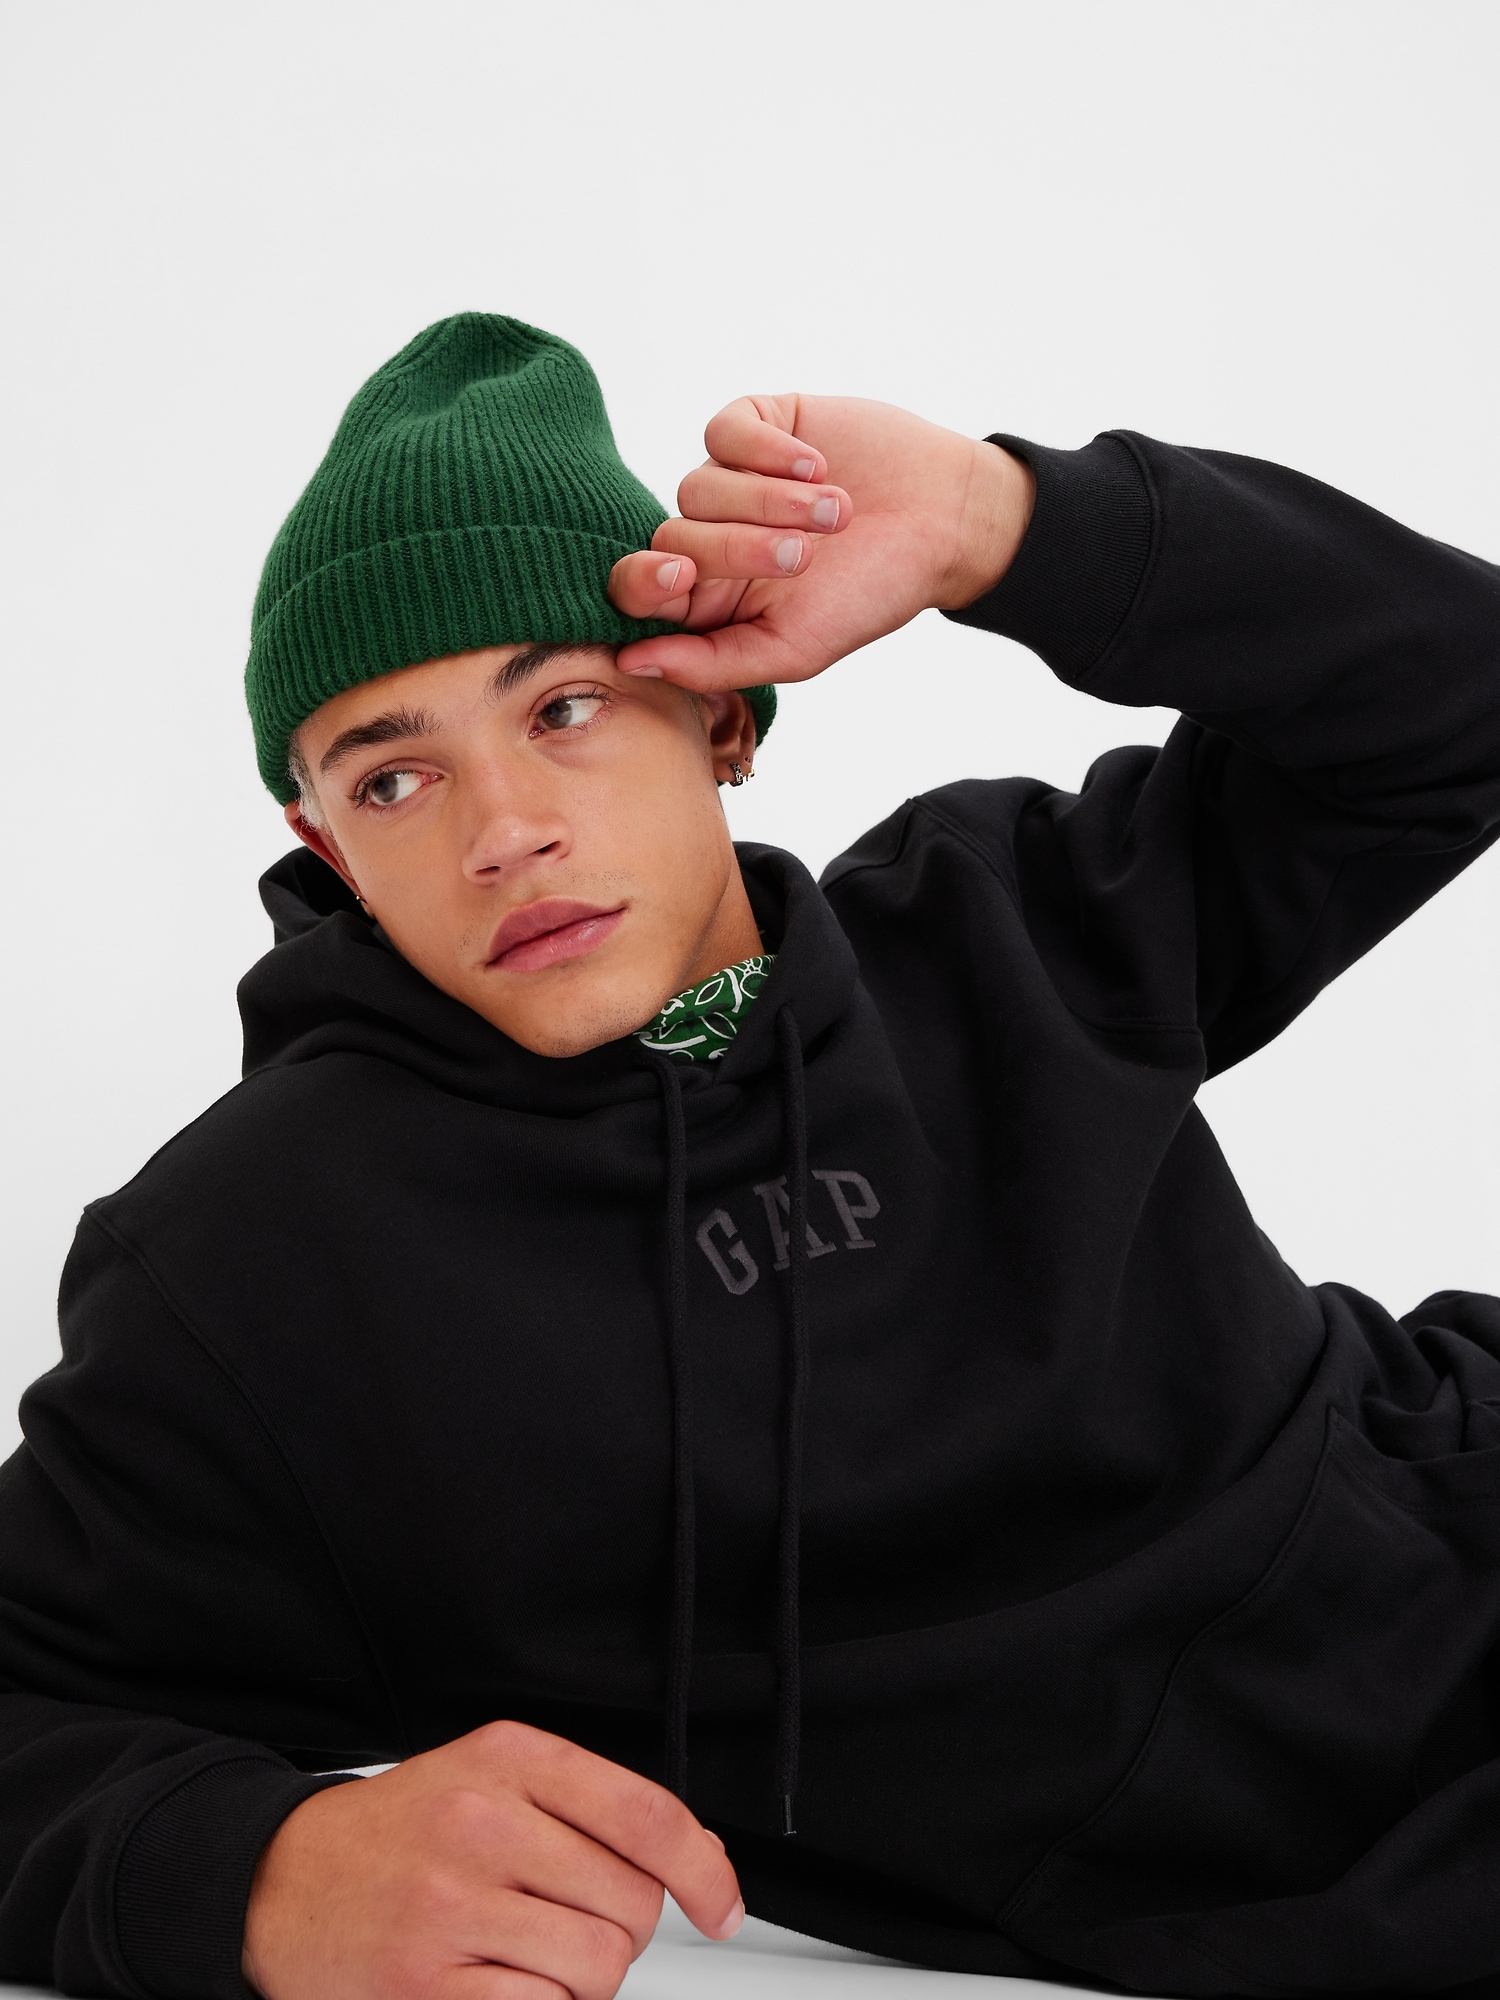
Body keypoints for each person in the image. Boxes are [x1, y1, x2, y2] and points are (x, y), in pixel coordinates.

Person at [1, 310, 1498, 2000]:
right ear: (326, 847)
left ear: (722, 718)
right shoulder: (260, 1260)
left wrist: (1004, 524)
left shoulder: (1002, 931)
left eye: (567, 706)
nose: (507, 832)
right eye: (396, 781)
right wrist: (258, 1875)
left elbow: (1455, 697)